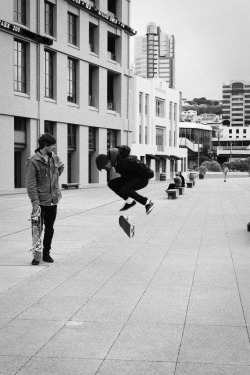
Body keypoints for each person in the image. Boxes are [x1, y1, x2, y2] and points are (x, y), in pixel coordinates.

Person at [26, 133, 64, 265]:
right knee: (37, 229)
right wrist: (35, 203)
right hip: (40, 201)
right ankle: (37, 255)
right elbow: (31, 184)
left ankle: (47, 253)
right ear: (44, 145)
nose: (54, 147)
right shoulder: (33, 161)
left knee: (50, 228)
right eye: (52, 145)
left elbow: (61, 167)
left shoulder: (55, 158)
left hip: (53, 200)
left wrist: (54, 180)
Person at [95, 145, 155, 214]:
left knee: (125, 189)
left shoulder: (124, 161)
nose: (106, 170)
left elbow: (138, 164)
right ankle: (130, 202)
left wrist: (150, 173)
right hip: (131, 178)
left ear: (108, 161)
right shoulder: (116, 162)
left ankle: (147, 203)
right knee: (111, 184)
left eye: (105, 167)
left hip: (142, 179)